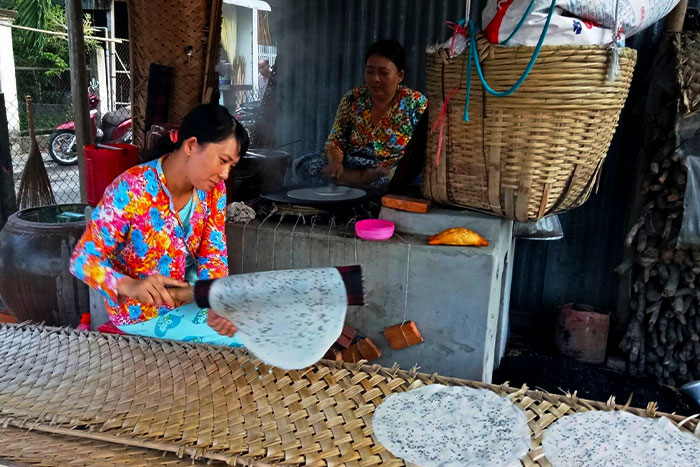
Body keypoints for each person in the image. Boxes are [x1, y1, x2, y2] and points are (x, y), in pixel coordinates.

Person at [70, 103, 246, 345]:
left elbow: (213, 253)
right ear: (192, 145)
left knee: (258, 325)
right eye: (222, 161)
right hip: (142, 314)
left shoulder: (214, 191)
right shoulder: (132, 189)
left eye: (231, 166)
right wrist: (128, 285)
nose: (225, 174)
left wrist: (214, 300)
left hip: (191, 301)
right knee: (243, 344)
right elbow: (82, 259)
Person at [296, 39, 428, 191]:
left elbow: (425, 149)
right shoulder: (353, 99)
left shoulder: (416, 103)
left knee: (405, 179)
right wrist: (335, 163)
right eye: (370, 71)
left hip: (389, 171)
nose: (375, 79)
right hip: (353, 165)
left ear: (400, 75)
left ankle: (354, 181)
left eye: (383, 73)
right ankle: (359, 179)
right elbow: (336, 140)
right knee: (305, 164)